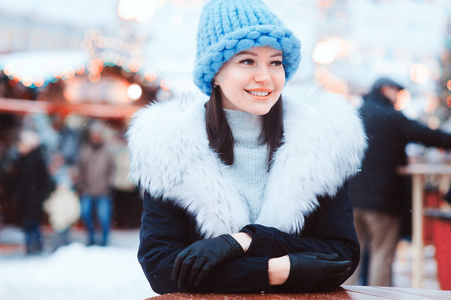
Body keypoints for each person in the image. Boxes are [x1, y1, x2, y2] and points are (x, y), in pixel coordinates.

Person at [128, 0, 367, 294]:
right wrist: (274, 270)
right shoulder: (169, 147)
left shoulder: (321, 142)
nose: (265, 77)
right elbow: (162, 269)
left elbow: (341, 256)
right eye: (247, 61)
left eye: (275, 62)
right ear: (215, 72)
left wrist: (242, 241)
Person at [346, 77, 451, 286]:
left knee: (350, 257)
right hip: (382, 200)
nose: (398, 98)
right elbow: (428, 135)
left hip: (350, 199)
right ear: (386, 89)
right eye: (397, 92)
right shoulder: (391, 117)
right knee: (381, 256)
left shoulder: (355, 115)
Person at [13, 130, 54, 254]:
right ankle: (31, 246)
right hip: (27, 197)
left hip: (33, 197)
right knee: (28, 222)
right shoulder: (22, 159)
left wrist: (40, 196)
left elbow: (45, 180)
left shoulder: (36, 159)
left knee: (33, 222)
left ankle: (35, 245)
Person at [76, 121, 115, 246]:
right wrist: (81, 183)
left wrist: (109, 184)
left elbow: (113, 169)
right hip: (87, 189)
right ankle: (91, 238)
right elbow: (80, 168)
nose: (95, 137)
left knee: (104, 217)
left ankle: (104, 241)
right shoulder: (85, 150)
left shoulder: (107, 152)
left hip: (103, 190)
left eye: (97, 135)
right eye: (93, 135)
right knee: (86, 215)